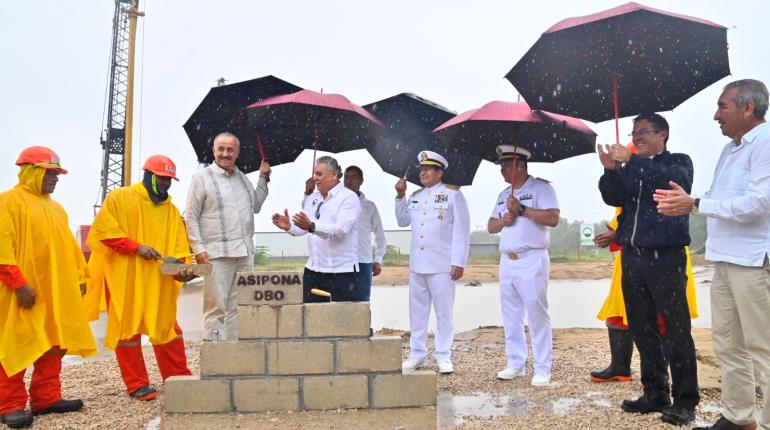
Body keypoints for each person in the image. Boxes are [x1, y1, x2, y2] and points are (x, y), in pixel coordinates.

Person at [655, 79, 770, 430]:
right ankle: (738, 417)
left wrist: (697, 204)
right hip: (725, 259)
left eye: (723, 106)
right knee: (728, 344)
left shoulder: (764, 143)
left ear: (748, 108)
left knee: (763, 348)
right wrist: (688, 203)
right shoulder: (730, 150)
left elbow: (760, 202)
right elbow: (720, 200)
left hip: (753, 261)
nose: (715, 115)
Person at [598, 113, 699, 426]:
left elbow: (672, 183)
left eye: (643, 132)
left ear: (663, 134)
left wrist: (631, 160)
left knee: (676, 329)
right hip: (632, 257)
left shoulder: (679, 162)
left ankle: (685, 399)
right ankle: (655, 391)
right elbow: (612, 196)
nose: (636, 137)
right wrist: (611, 170)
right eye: (633, 132)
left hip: (666, 257)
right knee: (642, 327)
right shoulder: (631, 167)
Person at [0, 147, 96, 429]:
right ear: (31, 171)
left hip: (53, 292)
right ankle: (10, 405)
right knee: (16, 343)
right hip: (20, 292)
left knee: (55, 343)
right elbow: (2, 246)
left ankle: (46, 397)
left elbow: (68, 247)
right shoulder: (8, 202)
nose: (56, 178)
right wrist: (18, 284)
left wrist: (80, 277)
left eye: (57, 173)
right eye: (50, 173)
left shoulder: (56, 209)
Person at [86, 155, 195, 402]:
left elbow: (179, 247)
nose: (167, 184)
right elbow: (103, 233)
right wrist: (136, 247)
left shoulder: (171, 210)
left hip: (158, 281)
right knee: (128, 331)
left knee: (168, 327)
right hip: (125, 279)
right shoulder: (119, 198)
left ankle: (177, 376)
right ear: (148, 175)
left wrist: (183, 269)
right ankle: (137, 385)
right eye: (163, 178)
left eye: (170, 180)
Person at [591, 206, 699, 383]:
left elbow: (649, 226)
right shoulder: (627, 193)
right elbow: (621, 226)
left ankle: (658, 377)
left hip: (662, 258)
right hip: (630, 258)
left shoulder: (659, 190)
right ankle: (620, 367)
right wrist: (613, 235)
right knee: (618, 310)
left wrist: (617, 235)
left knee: (661, 317)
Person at [184, 132, 271, 341]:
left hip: (244, 253)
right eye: (221, 149)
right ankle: (215, 356)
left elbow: (256, 205)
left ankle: (233, 355)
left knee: (239, 306)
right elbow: (191, 216)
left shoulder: (242, 178)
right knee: (216, 308)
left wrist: (263, 178)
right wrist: (199, 249)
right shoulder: (201, 178)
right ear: (214, 151)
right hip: (216, 254)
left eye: (230, 149)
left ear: (237, 153)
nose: (225, 153)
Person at [486, 145, 560, 386]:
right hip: (507, 261)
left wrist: (522, 209)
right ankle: (516, 362)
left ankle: (542, 368)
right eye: (501, 166)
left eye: (506, 165)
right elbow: (490, 225)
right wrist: (503, 220)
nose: (502, 171)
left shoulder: (541, 188)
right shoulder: (502, 194)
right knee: (511, 316)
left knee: (537, 315)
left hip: (532, 259)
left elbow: (553, 218)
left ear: (520, 164)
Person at [395, 150, 470, 375]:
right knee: (417, 312)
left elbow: (461, 231)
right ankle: (417, 354)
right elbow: (401, 221)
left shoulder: (453, 195)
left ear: (439, 172)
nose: (423, 172)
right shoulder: (415, 196)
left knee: (444, 312)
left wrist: (459, 262)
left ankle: (443, 355)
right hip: (418, 264)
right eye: (421, 169)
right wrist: (400, 196)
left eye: (428, 169)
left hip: (442, 264)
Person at [273, 156, 361, 302]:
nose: (314, 178)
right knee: (310, 318)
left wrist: (312, 226)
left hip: (341, 272)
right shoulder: (313, 198)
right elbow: (302, 229)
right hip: (313, 270)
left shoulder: (349, 198)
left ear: (334, 175)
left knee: (338, 321)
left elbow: (341, 230)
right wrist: (288, 226)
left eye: (319, 174)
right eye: (314, 173)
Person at [343, 166, 386, 301]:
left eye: (354, 177)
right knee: (339, 303)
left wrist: (378, 260)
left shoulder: (369, 206)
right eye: (347, 177)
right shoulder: (334, 204)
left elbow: (380, 237)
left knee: (362, 303)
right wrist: (307, 194)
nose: (349, 181)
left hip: (363, 263)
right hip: (340, 263)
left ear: (361, 181)